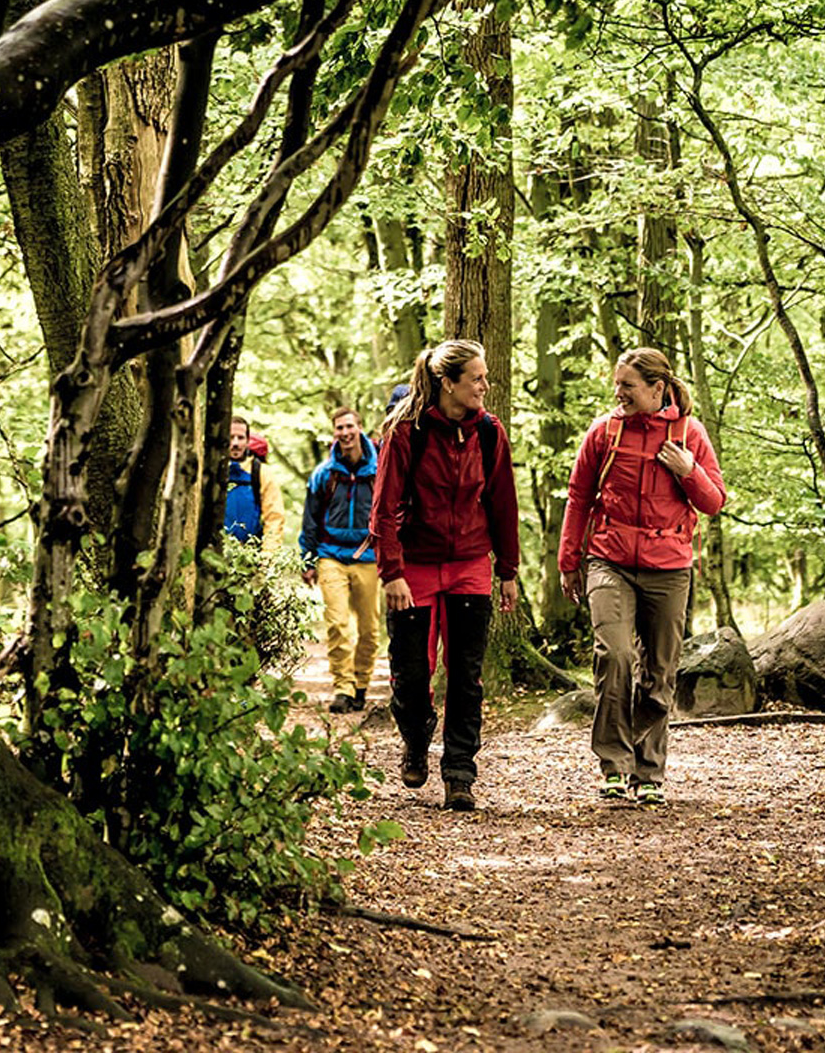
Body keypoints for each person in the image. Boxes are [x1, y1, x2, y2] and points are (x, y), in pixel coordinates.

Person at [557, 347, 727, 807]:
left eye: (628, 386)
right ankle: (614, 764)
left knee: (659, 674)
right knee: (614, 656)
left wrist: (689, 472)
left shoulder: (689, 434)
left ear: (657, 389)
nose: (619, 393)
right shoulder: (605, 431)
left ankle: (648, 770)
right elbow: (578, 497)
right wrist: (569, 560)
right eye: (618, 385)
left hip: (669, 567)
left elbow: (714, 502)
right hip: (608, 559)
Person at [370, 340, 520, 811]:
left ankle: (459, 773)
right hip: (414, 567)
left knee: (467, 677)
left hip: (471, 564)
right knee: (412, 676)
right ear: (447, 383)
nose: (484, 386)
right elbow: (383, 507)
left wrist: (508, 570)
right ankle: (415, 739)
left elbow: (502, 503)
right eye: (476, 378)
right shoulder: (406, 431)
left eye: (485, 377)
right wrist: (391, 572)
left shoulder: (489, 433)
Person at [299, 407, 379, 714]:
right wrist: (307, 559)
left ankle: (361, 684)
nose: (345, 433)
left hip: (368, 556)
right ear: (334, 433)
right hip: (330, 555)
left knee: (370, 629)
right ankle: (343, 688)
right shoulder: (324, 474)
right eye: (339, 428)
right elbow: (310, 519)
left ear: (359, 428)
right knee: (337, 624)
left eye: (349, 427)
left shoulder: (378, 471)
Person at [225, 414, 284, 553]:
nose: (235, 443)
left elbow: (274, 518)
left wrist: (268, 556)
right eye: (231, 437)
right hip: (215, 555)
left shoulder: (261, 472)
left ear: (247, 441)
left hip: (251, 555)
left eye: (240, 438)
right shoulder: (211, 470)